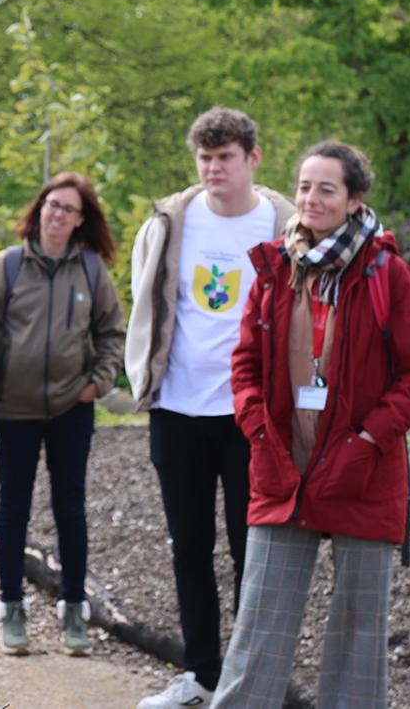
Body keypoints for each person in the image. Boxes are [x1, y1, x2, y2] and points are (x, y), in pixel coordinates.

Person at [212, 140, 410, 708]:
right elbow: (244, 364)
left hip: (363, 477)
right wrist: (260, 434)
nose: (310, 199)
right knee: (257, 637)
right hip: (282, 473)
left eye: (326, 189)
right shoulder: (273, 268)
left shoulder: (387, 273)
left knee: (358, 647)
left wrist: (366, 441)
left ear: (354, 198)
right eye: (304, 187)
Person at [126, 107, 296, 709]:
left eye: (225, 157)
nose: (213, 168)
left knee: (253, 549)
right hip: (176, 408)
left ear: (252, 157)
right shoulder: (171, 221)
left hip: (252, 413)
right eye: (204, 157)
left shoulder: (284, 224)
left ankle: (255, 677)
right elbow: (146, 301)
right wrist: (139, 375)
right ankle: (200, 672)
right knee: (189, 545)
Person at [0, 171, 125, 657]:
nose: (59, 215)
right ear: (40, 209)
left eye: (69, 210)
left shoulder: (91, 271)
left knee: (70, 509)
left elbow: (113, 333)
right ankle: (12, 607)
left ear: (79, 221)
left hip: (73, 407)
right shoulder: (6, 267)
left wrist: (99, 382)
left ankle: (74, 609)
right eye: (53, 205)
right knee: (14, 509)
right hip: (14, 409)